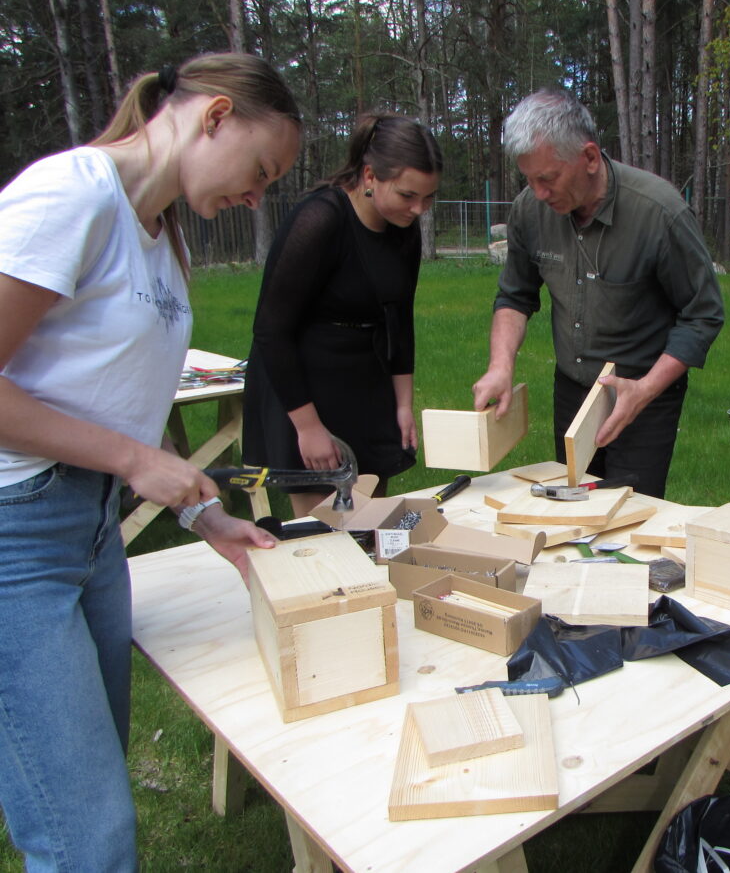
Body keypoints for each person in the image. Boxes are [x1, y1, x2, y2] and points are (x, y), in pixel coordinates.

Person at [0, 54, 300, 871]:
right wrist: (134, 459)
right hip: (15, 538)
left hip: (89, 531)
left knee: (90, 802)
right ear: (212, 117)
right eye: (261, 169)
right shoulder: (74, 195)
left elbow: (113, 407)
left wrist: (203, 515)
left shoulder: (161, 241)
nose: (255, 196)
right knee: (85, 840)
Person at [471, 89, 724, 499]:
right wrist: (501, 366)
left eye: (547, 179)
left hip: (642, 393)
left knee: (628, 515)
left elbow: (703, 314)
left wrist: (644, 390)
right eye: (529, 180)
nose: (538, 193)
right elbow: (515, 296)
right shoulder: (530, 212)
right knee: (572, 506)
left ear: (589, 158)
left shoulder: (659, 212)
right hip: (573, 390)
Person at [242, 113, 442, 518]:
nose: (419, 209)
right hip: (304, 385)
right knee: (324, 528)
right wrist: (308, 428)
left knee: (370, 517)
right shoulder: (320, 220)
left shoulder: (403, 230)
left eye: (428, 197)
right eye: (408, 195)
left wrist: (402, 403)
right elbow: (271, 331)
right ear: (370, 176)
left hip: (366, 378)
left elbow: (399, 318)